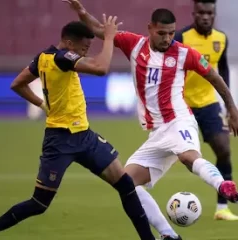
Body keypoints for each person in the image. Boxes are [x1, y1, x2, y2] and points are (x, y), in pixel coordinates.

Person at [65, 1, 238, 239]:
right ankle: (169, 235)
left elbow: (215, 77)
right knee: (126, 184)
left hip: (178, 121)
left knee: (188, 156)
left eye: (170, 33)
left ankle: (223, 186)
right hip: (156, 133)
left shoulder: (185, 54)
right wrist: (82, 12)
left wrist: (232, 108)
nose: (167, 38)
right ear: (150, 28)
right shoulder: (134, 44)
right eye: (161, 33)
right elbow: (99, 31)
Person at [0, 17, 157, 240]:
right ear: (70, 44)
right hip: (60, 141)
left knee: (125, 184)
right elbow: (101, 68)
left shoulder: (42, 58)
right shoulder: (63, 57)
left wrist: (43, 105)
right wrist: (109, 37)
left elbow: (17, 84)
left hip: (84, 136)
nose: (85, 52)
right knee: (39, 203)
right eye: (84, 48)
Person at [174, 0, 238, 221]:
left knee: (224, 150)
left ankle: (222, 207)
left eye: (209, 13)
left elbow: (223, 72)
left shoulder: (221, 39)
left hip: (208, 104)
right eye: (200, 12)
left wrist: (230, 108)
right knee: (180, 156)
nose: (205, 17)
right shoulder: (181, 37)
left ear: (214, 14)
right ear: (194, 13)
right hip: (182, 106)